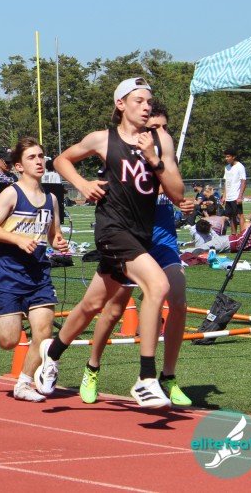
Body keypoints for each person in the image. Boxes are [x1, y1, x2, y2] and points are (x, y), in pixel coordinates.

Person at [40, 77, 185, 408]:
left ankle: (53, 352)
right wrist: (82, 183)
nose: (146, 106)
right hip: (111, 229)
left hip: (140, 234)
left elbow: (177, 193)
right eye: (138, 100)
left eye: (149, 101)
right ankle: (146, 378)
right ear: (121, 104)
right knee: (158, 285)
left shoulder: (160, 140)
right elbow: (61, 160)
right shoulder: (103, 139)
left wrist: (154, 160)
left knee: (92, 304)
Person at [78, 101, 194, 407]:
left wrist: (183, 202)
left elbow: (177, 190)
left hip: (163, 241)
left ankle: (167, 377)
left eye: (165, 127)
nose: (161, 132)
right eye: (154, 127)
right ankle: (92, 367)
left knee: (179, 301)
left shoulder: (162, 151)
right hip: (131, 240)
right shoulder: (127, 153)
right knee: (113, 310)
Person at [0, 138, 68, 402]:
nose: (39, 161)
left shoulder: (51, 199)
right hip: (8, 276)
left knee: (44, 332)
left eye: (41, 156)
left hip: (39, 276)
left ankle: (24, 383)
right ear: (19, 166)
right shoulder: (11, 194)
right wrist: (17, 239)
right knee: (9, 341)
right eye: (32, 157)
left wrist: (58, 242)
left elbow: (53, 234)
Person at [222, 148, 247, 234]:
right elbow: (226, 182)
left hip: (236, 196)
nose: (226, 158)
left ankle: (243, 235)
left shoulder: (240, 167)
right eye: (225, 157)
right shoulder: (227, 168)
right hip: (229, 197)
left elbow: (243, 181)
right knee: (231, 216)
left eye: (228, 156)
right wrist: (224, 196)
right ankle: (234, 234)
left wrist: (240, 196)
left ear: (234, 157)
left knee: (239, 215)